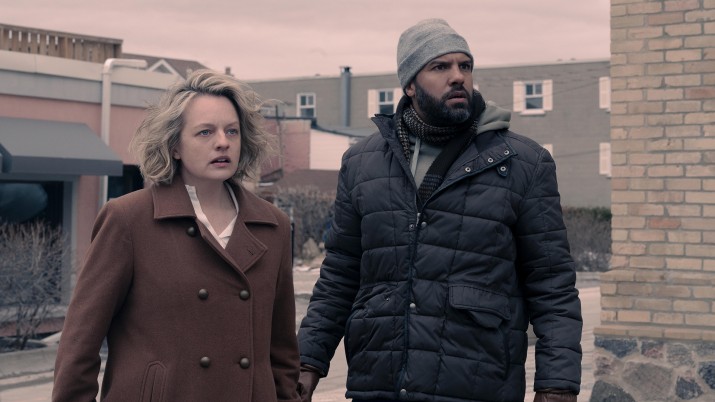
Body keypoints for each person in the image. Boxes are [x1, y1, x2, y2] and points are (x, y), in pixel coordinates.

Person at [297, 19, 582, 402]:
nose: (457, 76)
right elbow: (339, 275)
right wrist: (306, 363)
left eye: (465, 66)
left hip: (477, 384)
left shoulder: (523, 162)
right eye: (440, 67)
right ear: (410, 84)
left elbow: (552, 286)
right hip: (379, 381)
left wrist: (557, 385)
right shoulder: (362, 163)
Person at [53, 70, 301, 402]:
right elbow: (79, 342)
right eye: (205, 132)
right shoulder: (129, 219)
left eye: (232, 131)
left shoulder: (273, 225)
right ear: (174, 146)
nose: (223, 142)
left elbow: (282, 352)